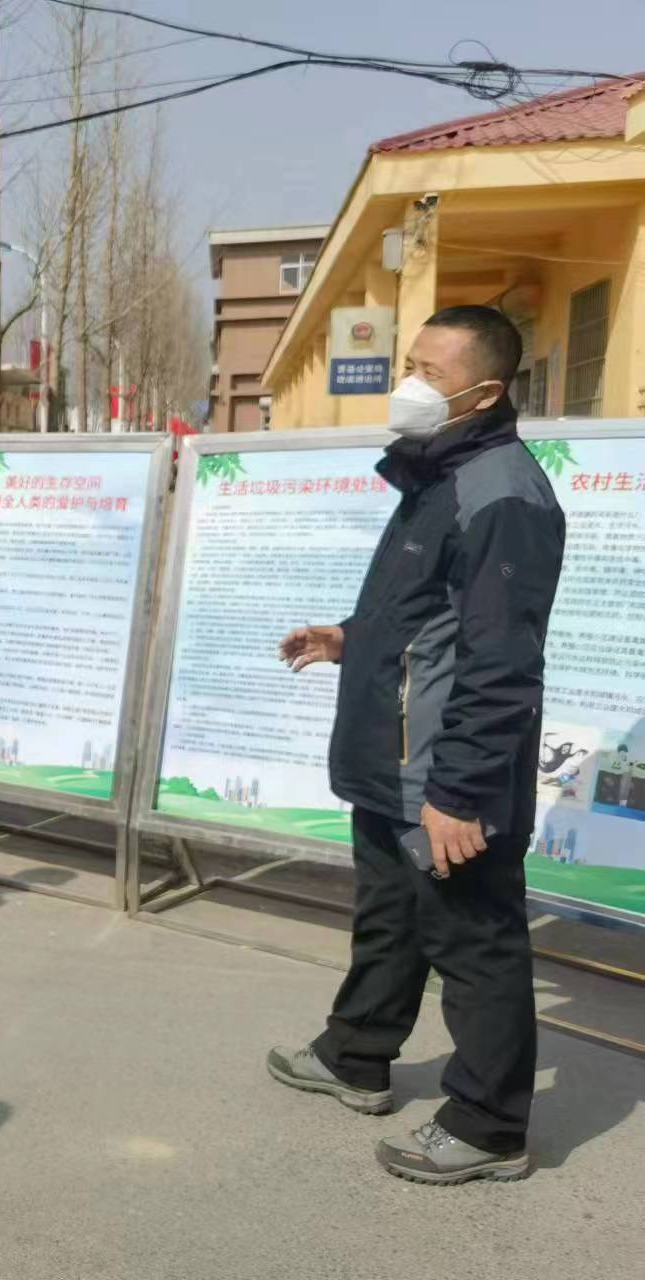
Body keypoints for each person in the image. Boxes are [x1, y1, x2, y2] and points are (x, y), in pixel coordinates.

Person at [270, 306, 565, 1185]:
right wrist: (351, 638)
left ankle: (488, 1125)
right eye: (411, 363)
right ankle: (356, 1054)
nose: (409, 385)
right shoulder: (440, 471)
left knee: (474, 943)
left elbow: (500, 662)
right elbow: (428, 616)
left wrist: (460, 792)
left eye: (431, 373)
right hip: (391, 761)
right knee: (389, 917)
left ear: (487, 391)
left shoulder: (503, 493)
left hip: (440, 772)